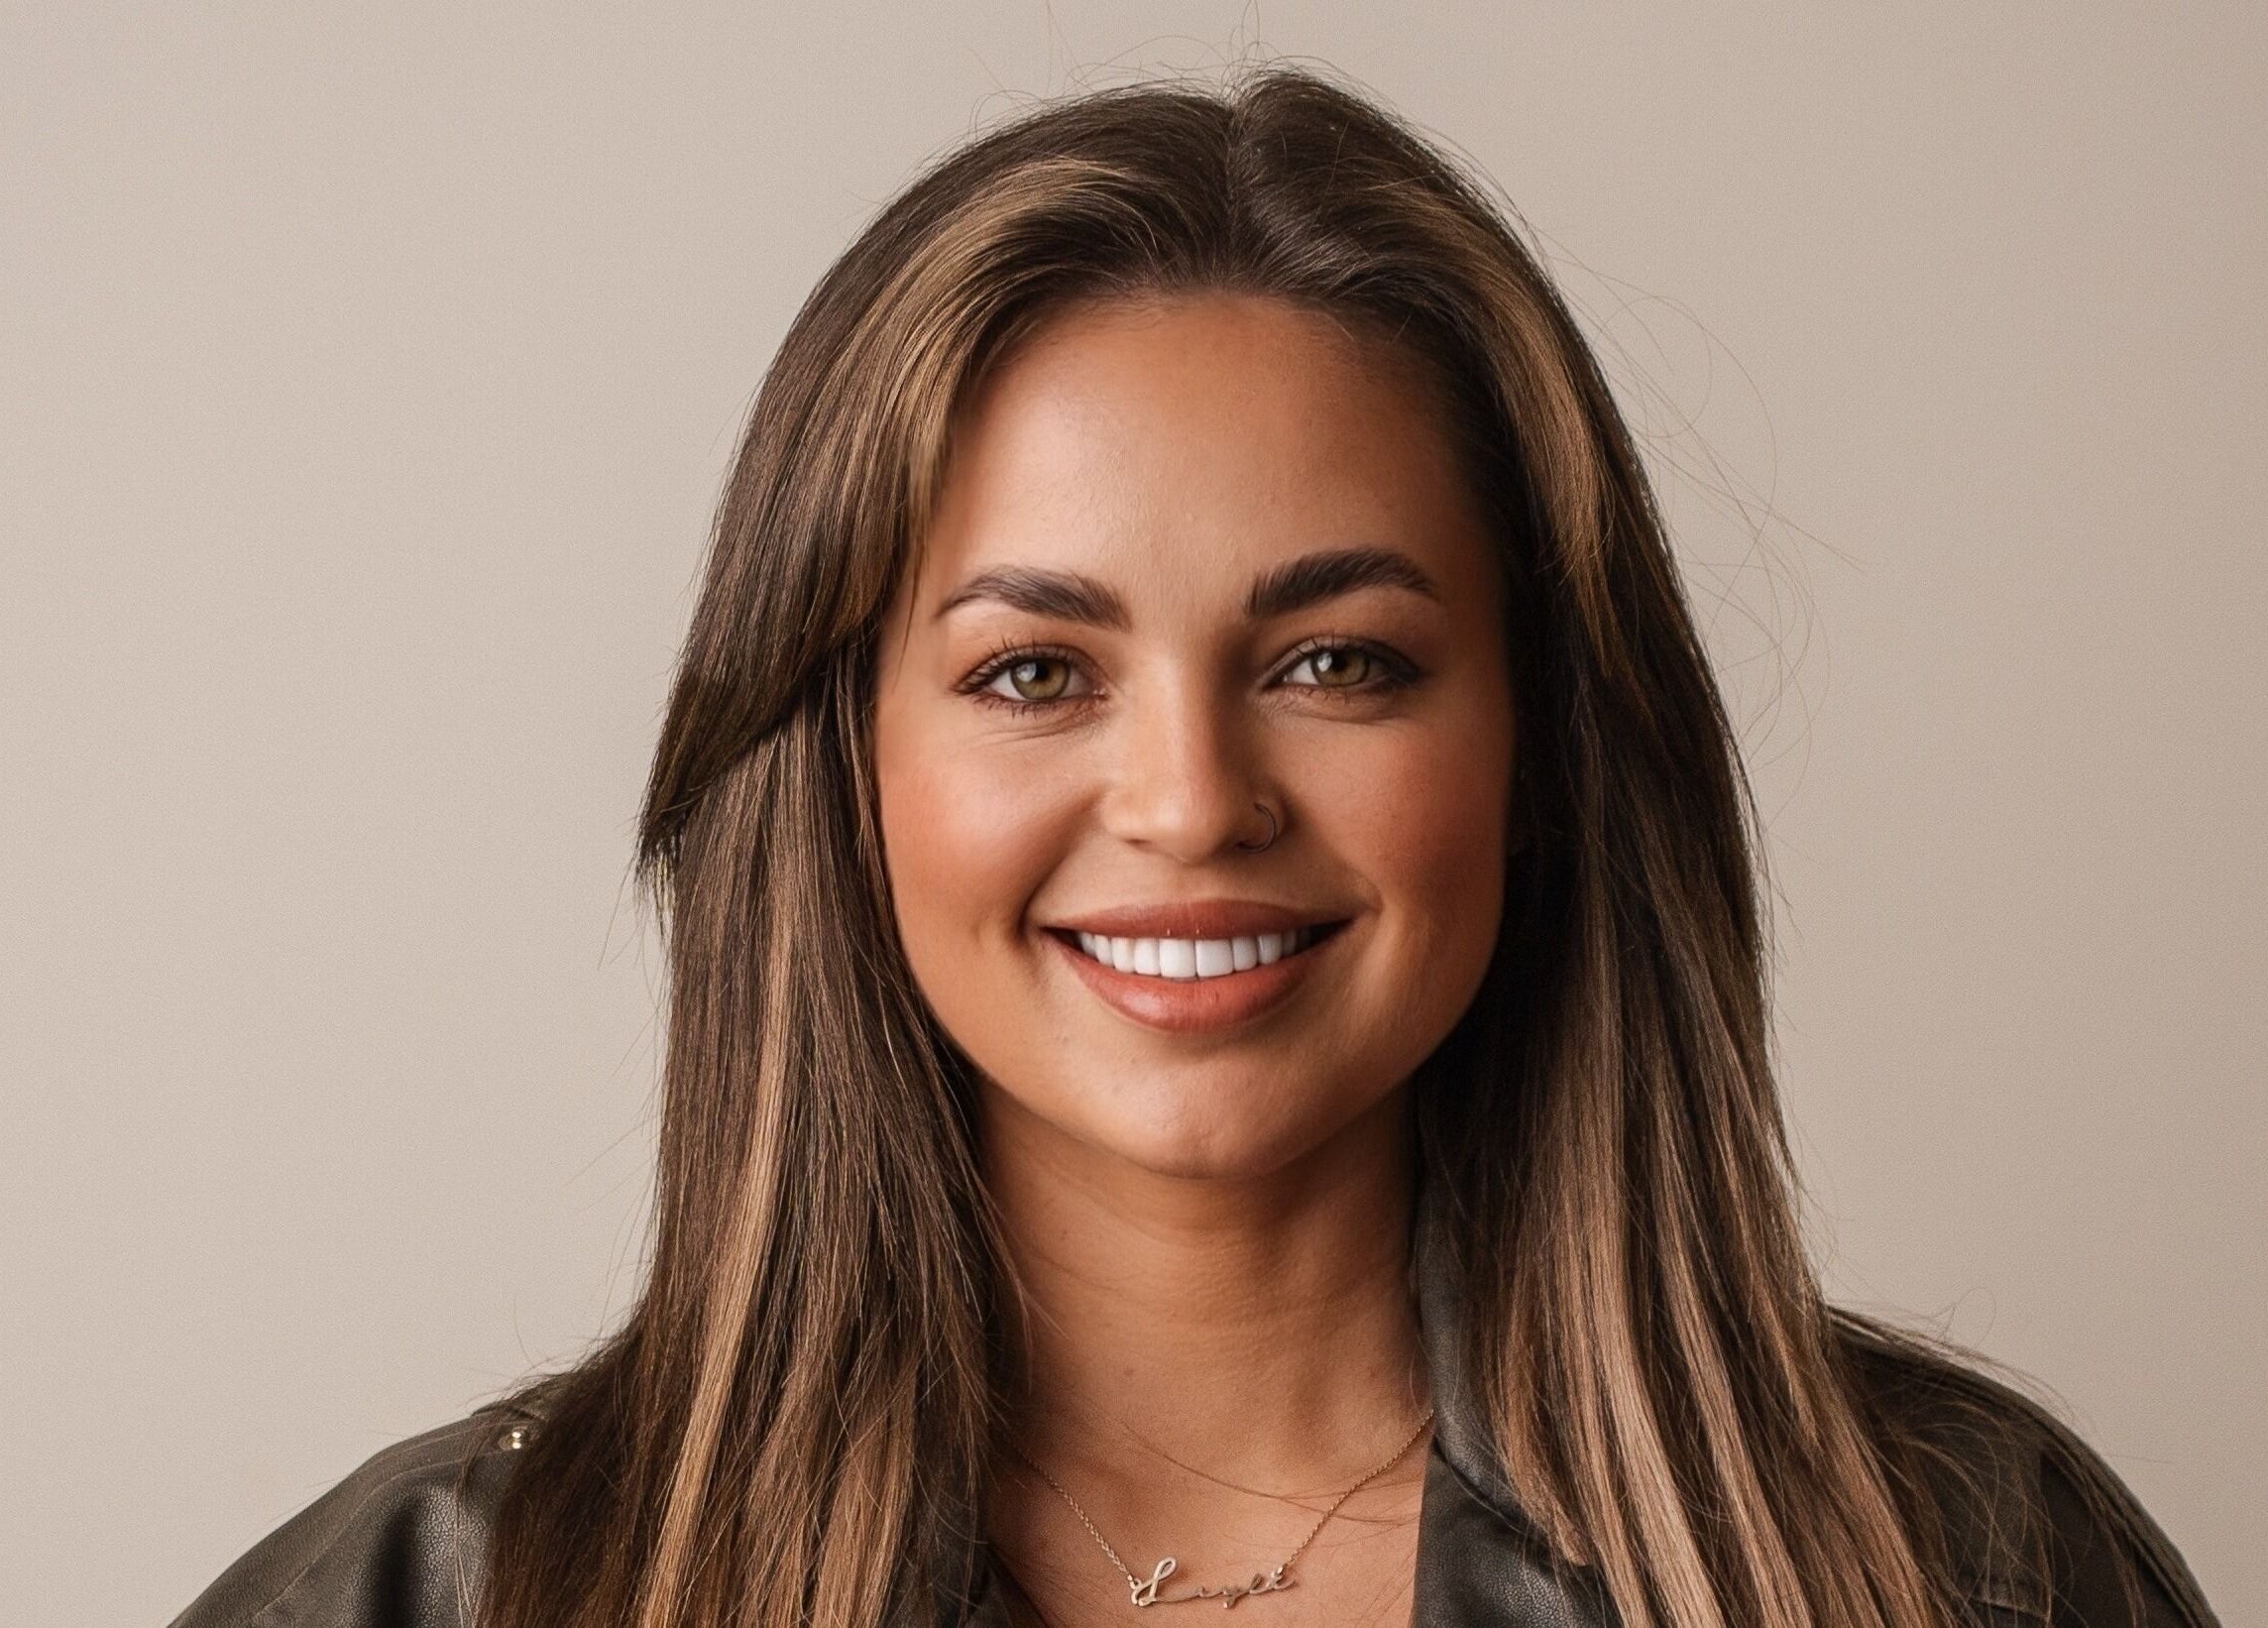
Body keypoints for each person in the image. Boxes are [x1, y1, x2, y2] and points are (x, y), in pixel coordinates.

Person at [170, 65, 2220, 1628]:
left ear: (1540, 745)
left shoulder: (1962, 1566)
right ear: (841, 770)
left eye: (1337, 658)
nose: (1188, 798)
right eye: (1034, 671)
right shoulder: (440, 1593)